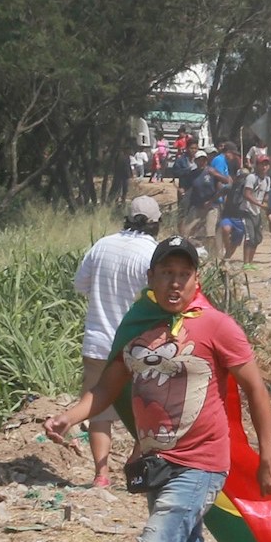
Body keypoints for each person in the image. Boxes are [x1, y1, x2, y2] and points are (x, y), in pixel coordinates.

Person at [47, 236, 271, 542]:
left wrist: (267, 454)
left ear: (197, 279)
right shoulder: (139, 325)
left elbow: (256, 389)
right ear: (151, 278)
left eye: (183, 274)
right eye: (166, 273)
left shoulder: (217, 326)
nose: (175, 282)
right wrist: (68, 416)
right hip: (156, 465)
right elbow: (106, 389)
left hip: (202, 465)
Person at [71, 196, 163, 488]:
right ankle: (134, 464)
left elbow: (80, 285)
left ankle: (101, 474)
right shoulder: (152, 253)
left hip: (98, 344)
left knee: (98, 409)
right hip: (137, 346)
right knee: (149, 412)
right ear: (156, 223)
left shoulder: (102, 245)